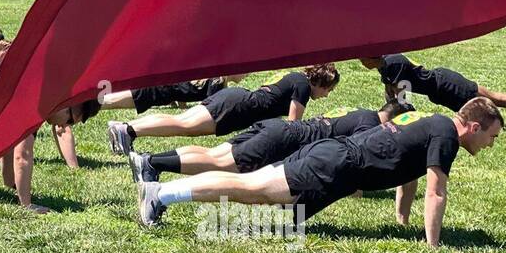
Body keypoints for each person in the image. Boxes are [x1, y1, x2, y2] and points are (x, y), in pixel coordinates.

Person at [136, 99, 504, 246]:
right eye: (492, 135)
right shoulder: (446, 137)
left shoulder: (428, 120)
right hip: (335, 165)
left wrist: (401, 219)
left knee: (269, 206)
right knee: (250, 188)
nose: (491, 143)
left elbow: (410, 171)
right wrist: (434, 246)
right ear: (473, 127)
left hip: (335, 160)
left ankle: (166, 196)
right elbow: (435, 191)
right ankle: (161, 194)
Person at [127, 100, 413, 182]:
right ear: (393, 119)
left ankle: (149, 160)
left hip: (278, 129)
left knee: (214, 153)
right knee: (222, 164)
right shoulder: (369, 125)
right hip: (281, 138)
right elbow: (351, 159)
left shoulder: (361, 111)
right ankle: (152, 163)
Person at [107, 65, 340, 155]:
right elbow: (293, 127)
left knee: (183, 121)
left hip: (236, 101)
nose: (327, 95)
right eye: (328, 90)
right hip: (237, 107)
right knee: (184, 125)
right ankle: (127, 130)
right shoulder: (301, 86)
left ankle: (126, 129)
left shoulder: (295, 77)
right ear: (321, 82)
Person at [361, 54, 506, 130]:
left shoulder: (393, 63)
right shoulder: (385, 64)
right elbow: (393, 95)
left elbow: (402, 99)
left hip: (448, 86)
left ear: (372, 56)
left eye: (363, 59)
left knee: (495, 100)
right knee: (483, 113)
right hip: (441, 90)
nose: (362, 63)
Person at [99, 75, 247, 113]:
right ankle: (88, 103)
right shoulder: (217, 83)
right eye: (246, 71)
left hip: (162, 89)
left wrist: (182, 106)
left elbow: (183, 89)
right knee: (111, 102)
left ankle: (92, 101)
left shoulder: (214, 79)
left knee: (118, 99)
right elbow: (211, 106)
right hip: (159, 90)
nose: (247, 75)